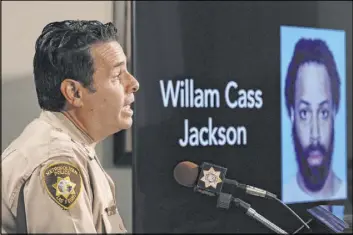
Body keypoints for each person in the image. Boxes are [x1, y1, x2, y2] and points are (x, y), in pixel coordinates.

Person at [1, 20, 139, 233]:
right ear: (74, 92)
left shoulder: (72, 148)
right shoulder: (57, 162)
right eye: (117, 76)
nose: (133, 83)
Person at [283, 38, 346, 203]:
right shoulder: (277, 201)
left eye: (324, 113)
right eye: (304, 113)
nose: (315, 134)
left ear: (335, 111)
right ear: (292, 115)